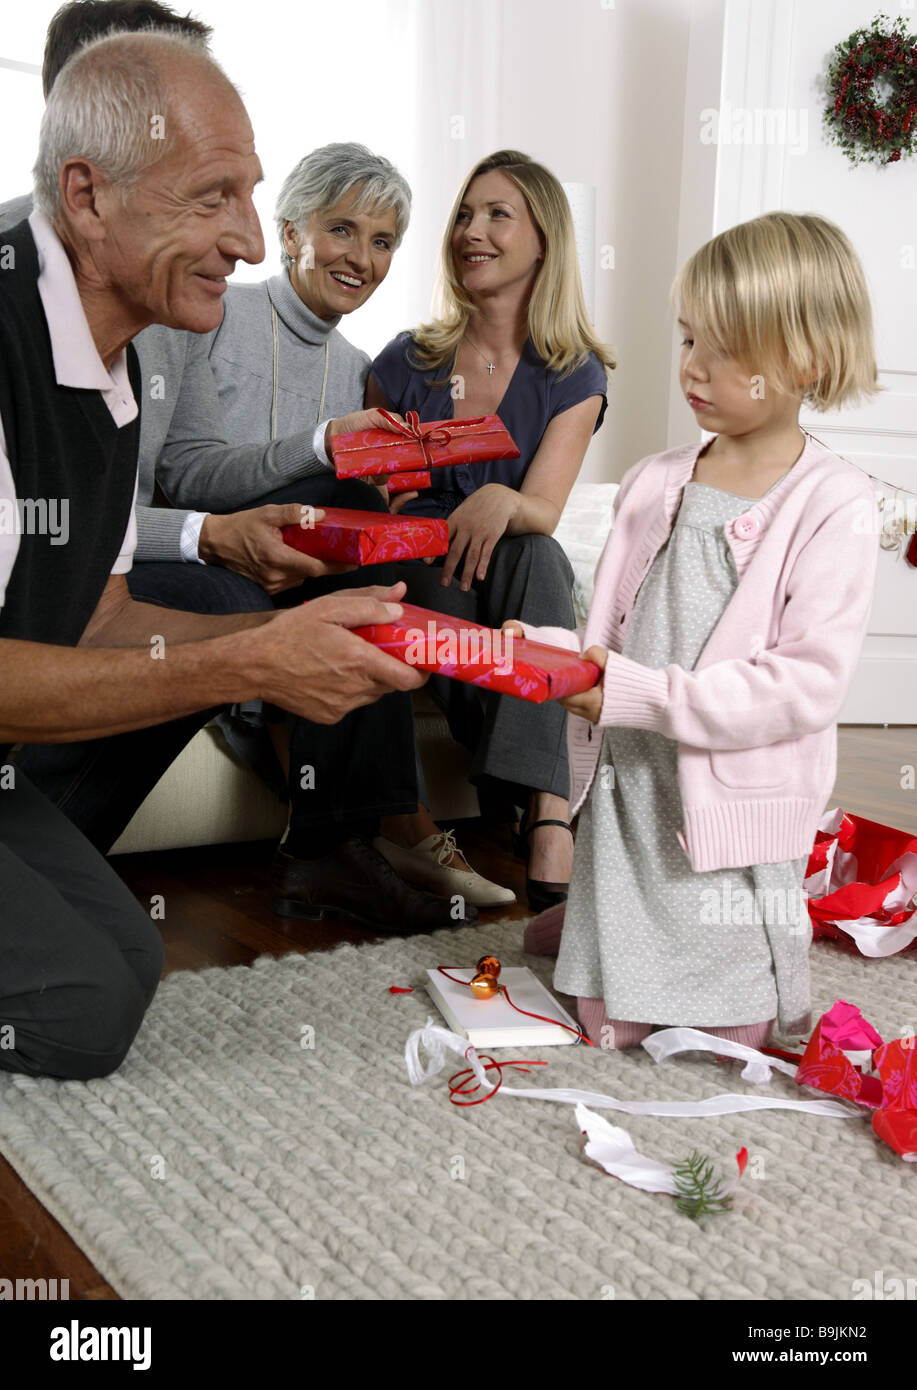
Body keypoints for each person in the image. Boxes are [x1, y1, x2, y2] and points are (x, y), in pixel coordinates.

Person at [0, 30, 465, 1083]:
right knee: (82, 1003)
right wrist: (250, 663)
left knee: (121, 954)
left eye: (250, 198)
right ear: (87, 195)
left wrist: (288, 636)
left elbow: (105, 614)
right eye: (213, 197)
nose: (250, 242)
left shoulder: (111, 359)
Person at [515, 212, 880, 1050]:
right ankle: (599, 925)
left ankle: (666, 950)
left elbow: (806, 684)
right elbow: (607, 627)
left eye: (724, 349)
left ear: (807, 359)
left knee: (734, 1026)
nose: (692, 368)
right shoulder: (654, 482)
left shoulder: (832, 502)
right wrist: (547, 653)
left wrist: (638, 691)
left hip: (729, 789)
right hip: (631, 770)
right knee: (609, 1021)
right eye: (687, 340)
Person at [159, 142, 513, 907]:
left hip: (314, 567)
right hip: (219, 546)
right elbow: (187, 473)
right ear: (290, 234)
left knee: (393, 554)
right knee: (334, 500)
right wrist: (326, 452)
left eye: (382, 241)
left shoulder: (363, 366)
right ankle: (392, 827)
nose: (361, 256)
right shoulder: (213, 313)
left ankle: (379, 827)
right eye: (342, 230)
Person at [366, 150, 614, 910]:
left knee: (538, 553)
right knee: (470, 580)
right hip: (425, 558)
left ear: (543, 240)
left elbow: (541, 505)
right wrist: (445, 521)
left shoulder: (574, 373)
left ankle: (537, 804)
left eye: (496, 215)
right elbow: (386, 503)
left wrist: (498, 503)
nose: (471, 230)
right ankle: (548, 811)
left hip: (511, 554)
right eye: (465, 215)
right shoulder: (406, 361)